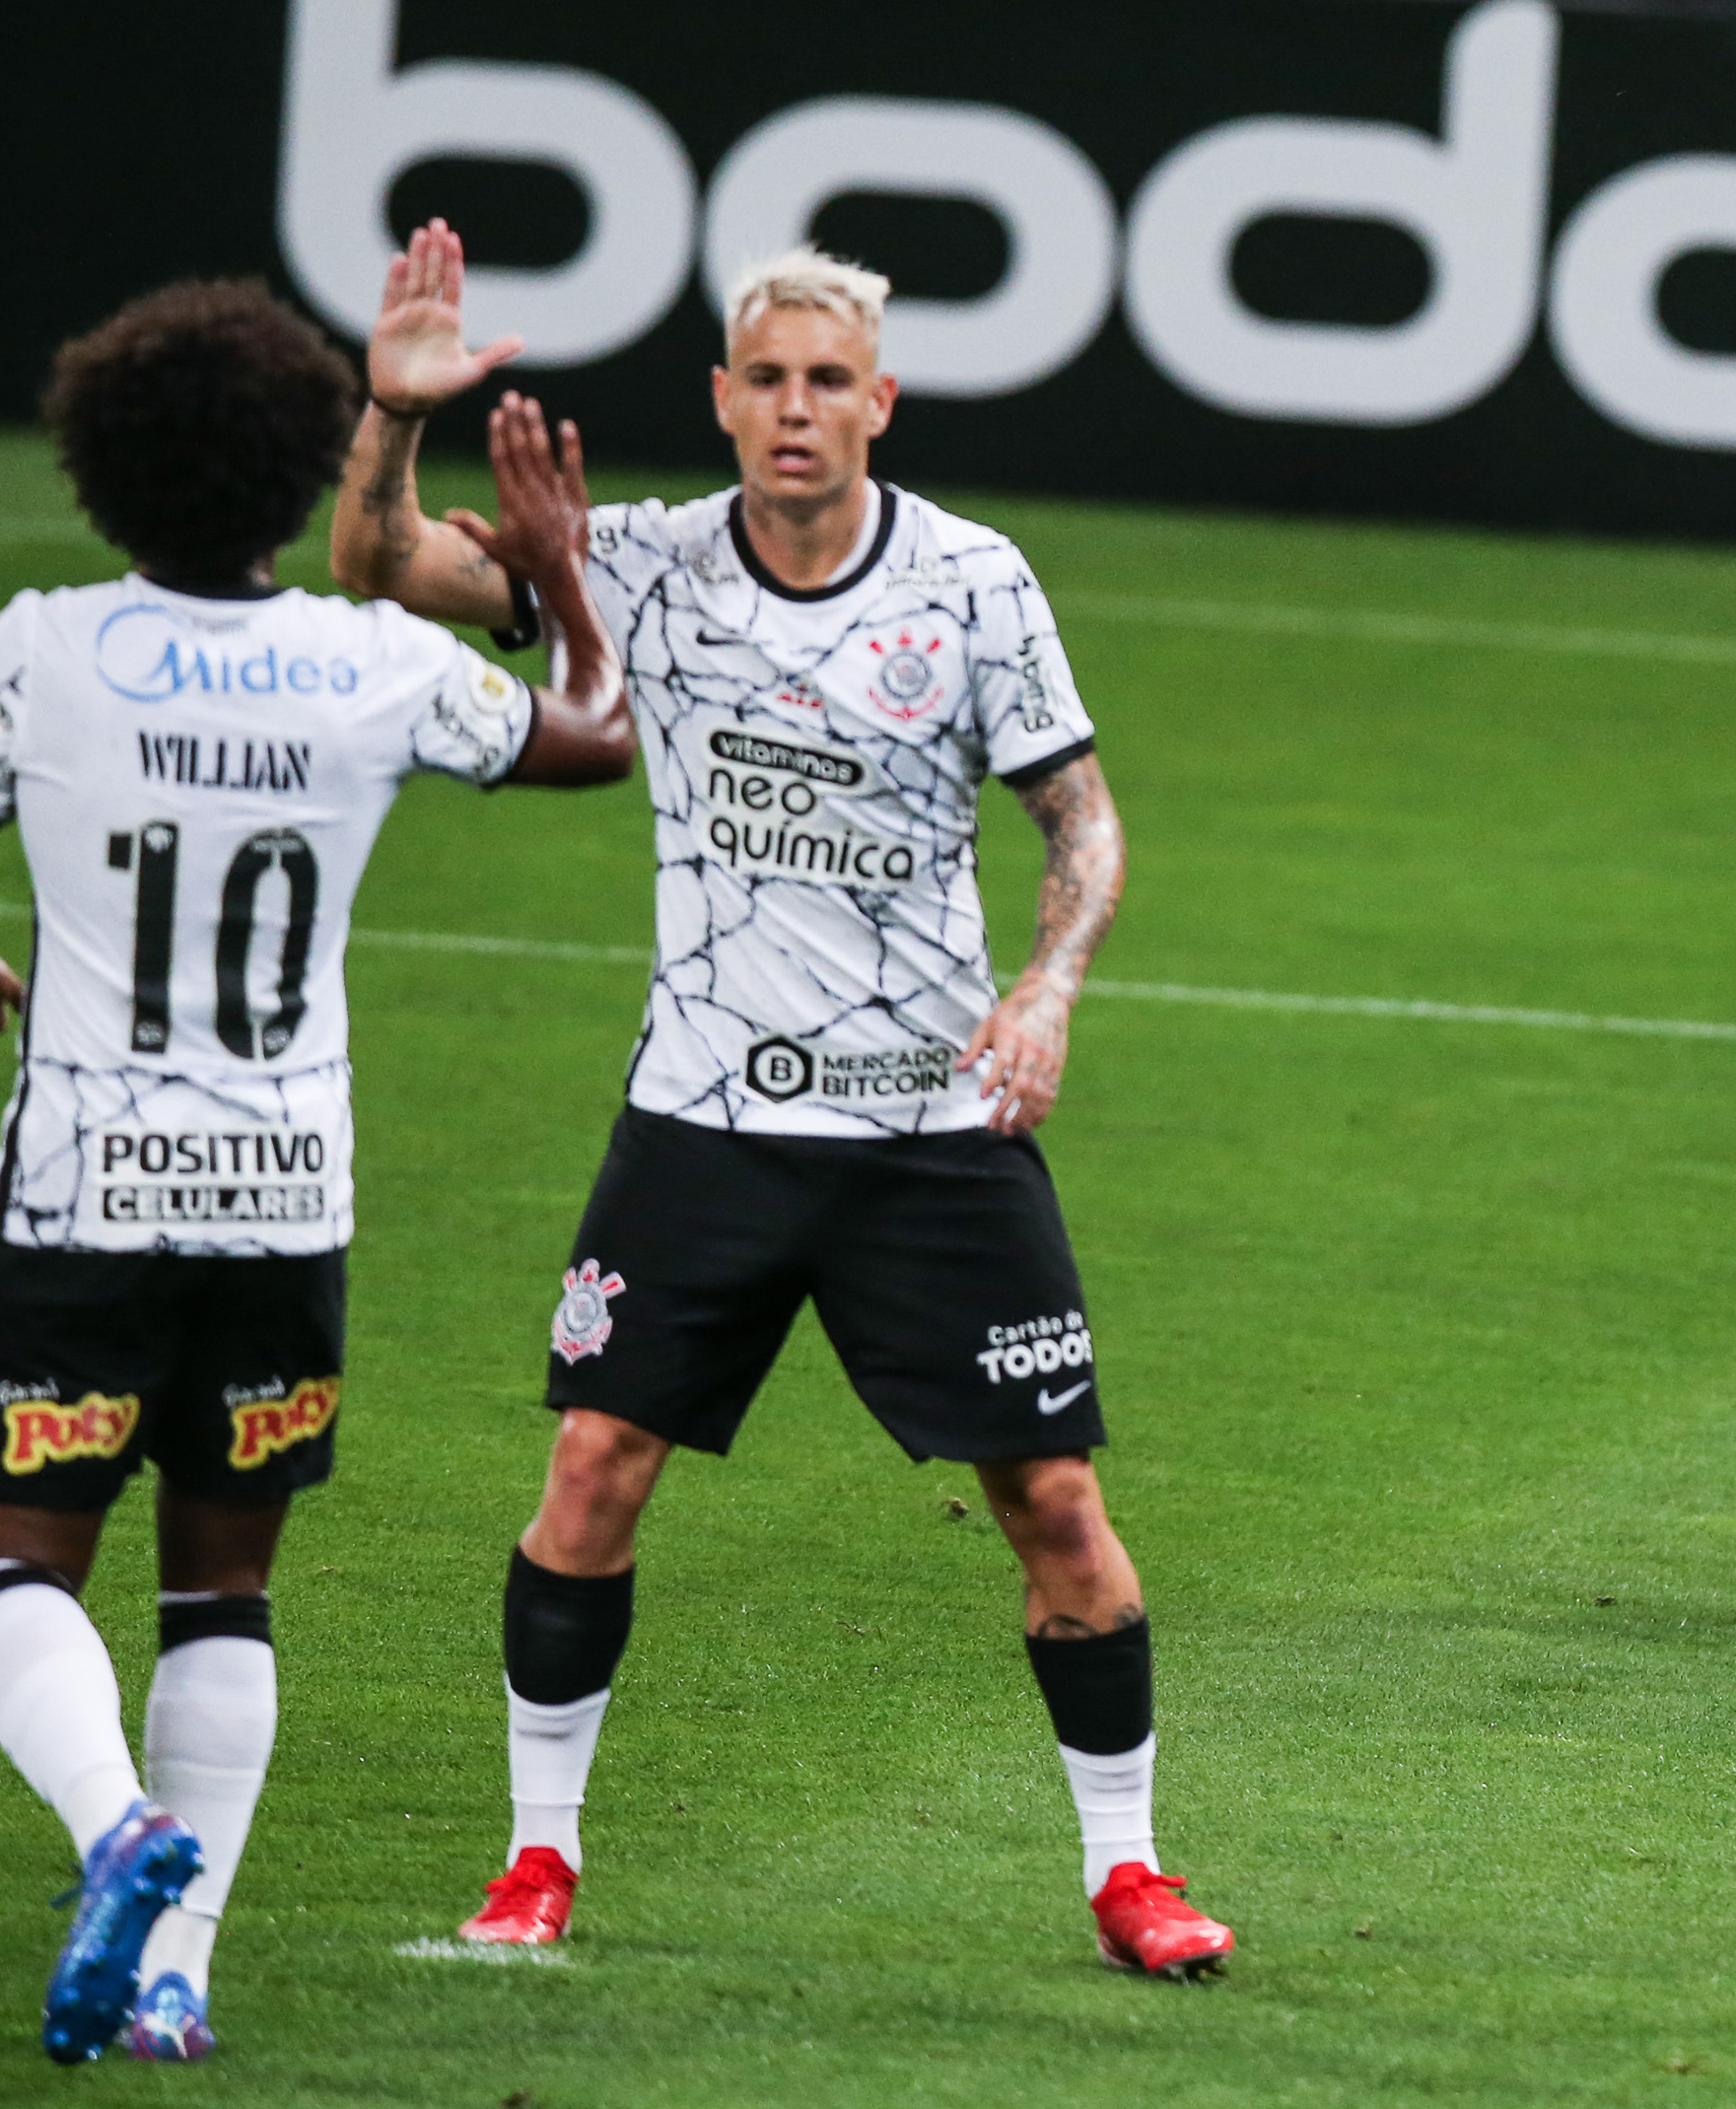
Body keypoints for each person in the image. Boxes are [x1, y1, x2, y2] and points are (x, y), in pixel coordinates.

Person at [328, 224, 1232, 1977]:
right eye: (769, 381)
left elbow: (1083, 819)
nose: (799, 409)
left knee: (1052, 1500)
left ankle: (1127, 1871)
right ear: (724, 403)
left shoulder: (972, 581)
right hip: (704, 1121)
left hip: (927, 1133)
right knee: (593, 1466)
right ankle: (536, 1860)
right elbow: (380, 565)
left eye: (832, 380)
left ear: (879, 402)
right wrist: (389, 416)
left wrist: (1047, 987)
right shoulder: (642, 564)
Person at [0, 281, 629, 2062]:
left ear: (97, 469)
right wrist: (561, 574)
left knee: (7, 1565)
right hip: (286, 1200)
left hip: (82, 1197)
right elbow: (597, 734)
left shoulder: (44, 644)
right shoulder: (379, 663)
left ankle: (114, 1829)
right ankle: (179, 1976)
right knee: (225, 1589)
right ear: (297, 474)